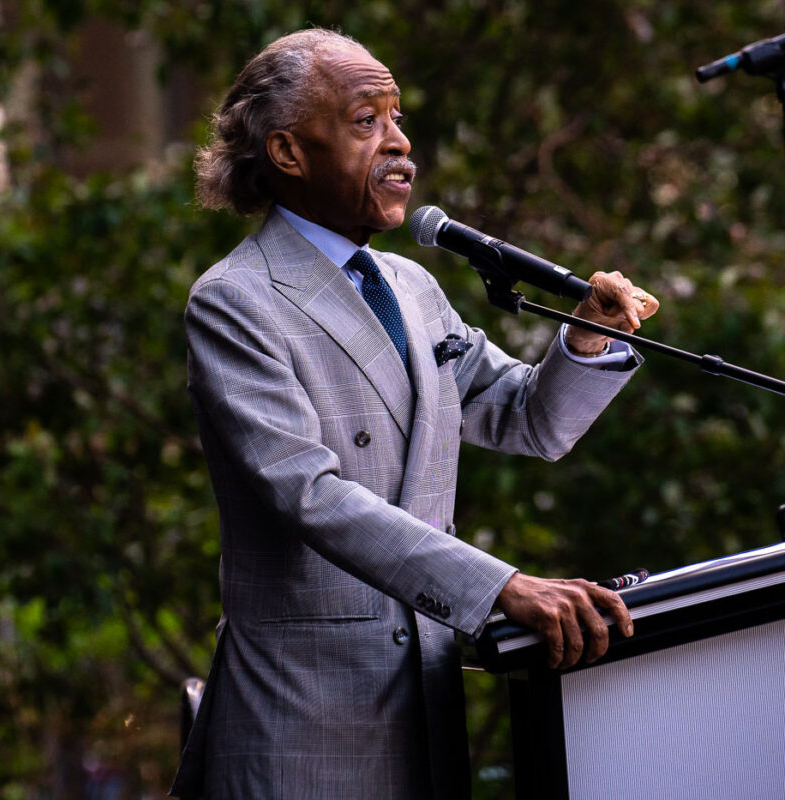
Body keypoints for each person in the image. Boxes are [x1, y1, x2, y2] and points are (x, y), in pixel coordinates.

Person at [170, 28, 659, 800]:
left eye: (397, 120)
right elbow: (310, 494)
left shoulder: (410, 286)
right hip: (299, 726)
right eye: (366, 122)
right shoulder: (236, 301)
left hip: (423, 708)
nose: (400, 145)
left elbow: (528, 417)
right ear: (289, 153)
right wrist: (501, 586)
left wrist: (588, 338)